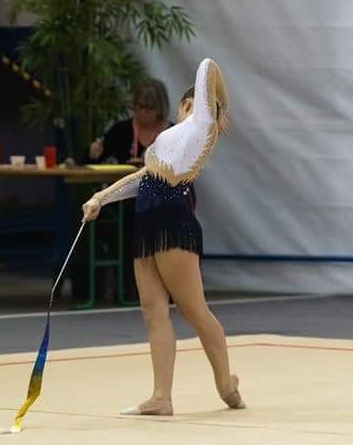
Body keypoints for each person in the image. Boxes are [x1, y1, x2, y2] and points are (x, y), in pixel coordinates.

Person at [81, 59, 244, 415]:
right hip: (146, 223)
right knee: (152, 310)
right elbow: (144, 178)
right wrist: (100, 199)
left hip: (172, 222)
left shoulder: (200, 127)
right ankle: (161, 397)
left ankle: (225, 384)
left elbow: (208, 66)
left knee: (193, 309)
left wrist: (220, 107)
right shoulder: (166, 141)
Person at [86, 79, 175, 300]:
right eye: (137, 106)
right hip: (130, 199)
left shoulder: (173, 133)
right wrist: (93, 151)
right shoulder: (122, 130)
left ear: (160, 108)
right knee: (127, 220)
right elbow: (92, 159)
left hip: (164, 196)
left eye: (148, 108)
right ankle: (130, 284)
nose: (142, 112)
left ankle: (170, 285)